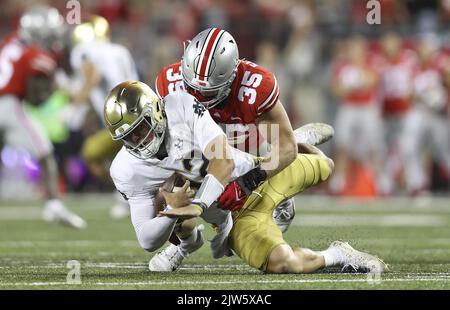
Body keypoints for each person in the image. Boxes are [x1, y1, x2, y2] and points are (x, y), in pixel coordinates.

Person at [155, 28, 333, 233]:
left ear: (232, 76)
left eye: (208, 91)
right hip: (202, 142)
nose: (198, 97)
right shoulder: (169, 82)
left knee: (268, 161)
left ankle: (285, 178)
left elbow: (284, 149)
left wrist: (247, 183)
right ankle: (185, 243)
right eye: (192, 88)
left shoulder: (254, 86)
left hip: (247, 140)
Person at [105, 80, 265, 271]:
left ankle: (300, 146)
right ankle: (186, 244)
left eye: (140, 129)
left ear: (156, 110)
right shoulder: (126, 169)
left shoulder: (180, 106)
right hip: (196, 196)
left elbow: (223, 160)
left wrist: (197, 207)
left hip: (242, 178)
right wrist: (174, 207)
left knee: (275, 254)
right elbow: (146, 239)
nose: (136, 141)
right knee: (166, 193)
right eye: (128, 137)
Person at [0, 5, 86, 228]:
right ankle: (54, 206)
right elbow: (35, 99)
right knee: (45, 154)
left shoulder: (9, 42)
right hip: (7, 104)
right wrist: (53, 89)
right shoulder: (37, 55)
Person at [59, 16, 138, 218]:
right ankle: (130, 196)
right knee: (131, 159)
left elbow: (93, 78)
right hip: (138, 109)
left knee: (90, 154)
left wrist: (73, 107)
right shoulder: (119, 50)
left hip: (121, 118)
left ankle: (126, 196)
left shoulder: (85, 51)